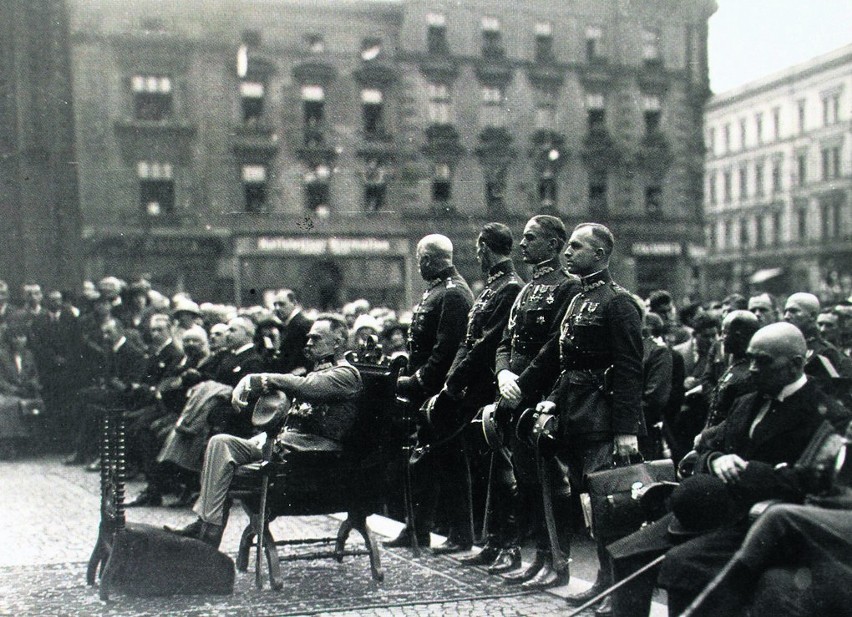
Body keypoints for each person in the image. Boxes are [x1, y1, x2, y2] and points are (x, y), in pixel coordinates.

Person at [606, 322, 850, 617]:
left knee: (684, 565)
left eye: (763, 361)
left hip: (757, 520)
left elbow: (815, 482)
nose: (753, 369)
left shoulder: (827, 414)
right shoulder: (746, 401)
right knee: (625, 553)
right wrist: (716, 460)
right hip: (711, 508)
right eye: (750, 359)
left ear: (796, 365)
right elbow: (707, 448)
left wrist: (749, 471)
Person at [522, 223, 643, 608]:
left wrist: (626, 430)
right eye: (568, 246)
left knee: (607, 507)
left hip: (602, 418)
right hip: (575, 414)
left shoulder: (618, 302)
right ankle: (603, 583)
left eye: (577, 247)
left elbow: (628, 368)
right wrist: (553, 400)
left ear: (601, 255)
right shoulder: (577, 299)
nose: (568, 253)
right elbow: (566, 363)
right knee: (588, 502)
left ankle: (614, 589)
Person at [165, 314, 363, 548]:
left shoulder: (345, 374)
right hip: (288, 446)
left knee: (227, 467)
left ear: (338, 342)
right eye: (308, 338)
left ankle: (208, 533)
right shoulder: (320, 370)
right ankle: (208, 524)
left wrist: (257, 378)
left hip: (313, 455)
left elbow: (306, 387)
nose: (308, 343)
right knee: (220, 443)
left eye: (316, 339)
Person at [487, 215, 581, 582]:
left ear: (555, 245)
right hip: (517, 395)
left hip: (544, 399)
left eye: (530, 238)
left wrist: (521, 384)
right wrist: (503, 373)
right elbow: (506, 342)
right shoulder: (525, 289)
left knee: (552, 482)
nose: (522, 244)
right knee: (527, 480)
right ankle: (540, 558)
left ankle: (558, 563)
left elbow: (554, 348)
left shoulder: (568, 288)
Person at [436, 223, 523, 557]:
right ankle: (491, 541)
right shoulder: (492, 288)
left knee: (499, 470)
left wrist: (456, 382)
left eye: (477, 250)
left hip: (490, 391)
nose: (476, 256)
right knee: (484, 468)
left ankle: (504, 543)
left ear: (485, 248)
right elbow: (468, 340)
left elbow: (488, 344)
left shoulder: (510, 288)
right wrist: (452, 380)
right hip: (473, 388)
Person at [387, 234, 474, 550]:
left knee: (448, 463)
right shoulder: (437, 291)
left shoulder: (452, 294)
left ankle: (461, 535)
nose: (420, 263)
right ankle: (417, 529)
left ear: (429, 258)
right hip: (427, 393)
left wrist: (417, 383)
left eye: (422, 258)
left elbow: (446, 351)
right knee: (424, 462)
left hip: (441, 394)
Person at [28, 289, 84, 449]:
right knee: (51, 405)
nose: (56, 303)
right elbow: (37, 345)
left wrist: (67, 359)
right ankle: (51, 442)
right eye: (52, 300)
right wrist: (53, 359)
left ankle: (66, 441)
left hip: (67, 370)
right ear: (47, 302)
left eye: (58, 300)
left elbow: (77, 342)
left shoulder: (70, 318)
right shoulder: (39, 320)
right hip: (48, 370)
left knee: (67, 405)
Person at [703, 310, 759, 428]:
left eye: (724, 333)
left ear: (738, 336)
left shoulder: (749, 374)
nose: (721, 338)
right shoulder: (737, 364)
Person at [272, 289, 313, 376]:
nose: (277, 308)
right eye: (275, 305)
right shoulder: (288, 324)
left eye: (281, 304)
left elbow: (312, 353)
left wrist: (305, 368)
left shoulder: (303, 324)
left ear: (294, 303)